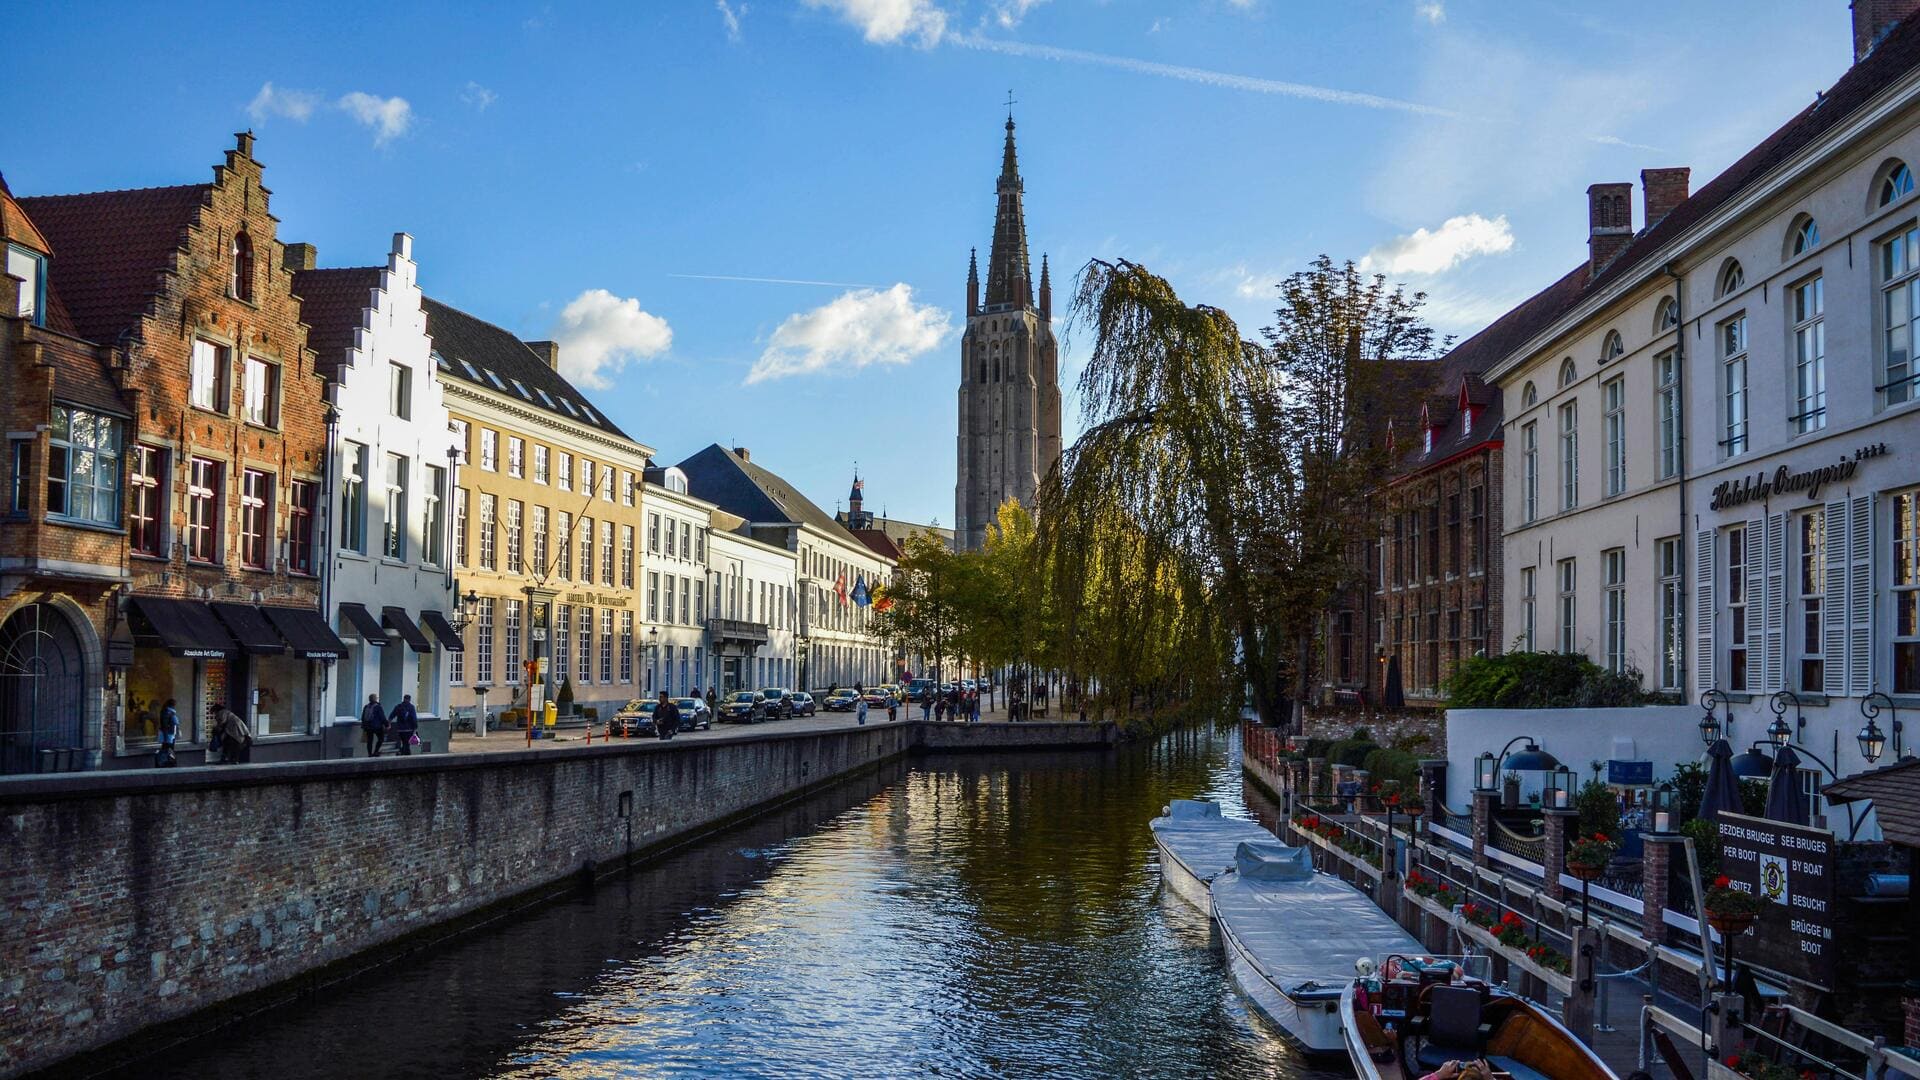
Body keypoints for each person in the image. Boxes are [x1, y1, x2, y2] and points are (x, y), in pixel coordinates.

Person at [360, 693, 388, 757]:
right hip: (377, 726)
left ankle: (369, 753)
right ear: (375, 699)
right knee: (381, 739)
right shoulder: (378, 707)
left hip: (367, 727)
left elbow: (362, 717)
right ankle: (376, 751)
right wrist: (387, 725)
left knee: (369, 740)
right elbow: (382, 717)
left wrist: (364, 726)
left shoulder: (366, 707)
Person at [154, 699, 179, 767]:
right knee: (167, 749)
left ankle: (169, 762)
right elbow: (165, 725)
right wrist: (166, 737)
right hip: (168, 735)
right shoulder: (167, 712)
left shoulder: (171, 712)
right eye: (174, 705)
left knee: (169, 749)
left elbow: (174, 724)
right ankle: (166, 763)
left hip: (171, 734)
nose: (175, 706)